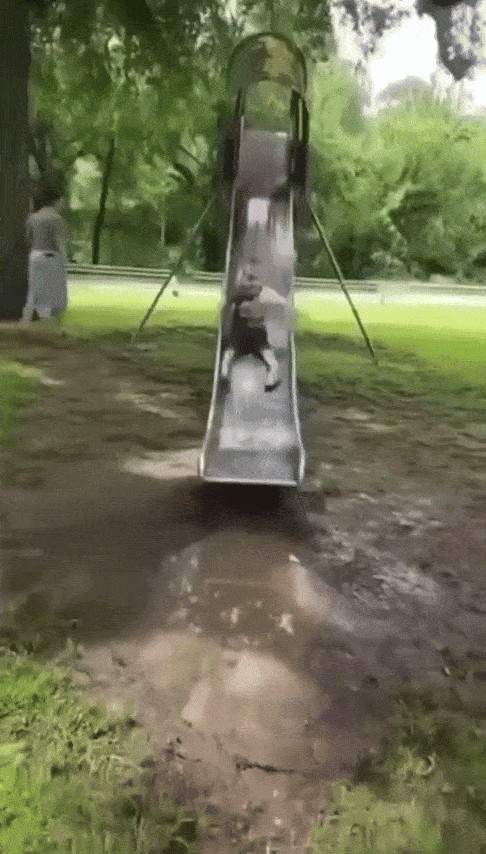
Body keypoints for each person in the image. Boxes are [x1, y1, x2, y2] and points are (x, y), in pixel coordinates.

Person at [220, 267, 281, 392]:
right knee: (272, 363)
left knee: (228, 356)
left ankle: (224, 374)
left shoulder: (238, 298)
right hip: (255, 337)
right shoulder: (260, 298)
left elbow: (230, 314)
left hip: (241, 336)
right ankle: (269, 382)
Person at [22, 185, 68, 324]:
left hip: (35, 255)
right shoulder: (56, 219)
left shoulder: (32, 218)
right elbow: (58, 241)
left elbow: (28, 238)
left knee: (34, 289)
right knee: (54, 290)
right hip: (52, 256)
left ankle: (27, 318)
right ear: (55, 201)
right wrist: (64, 258)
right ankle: (52, 319)